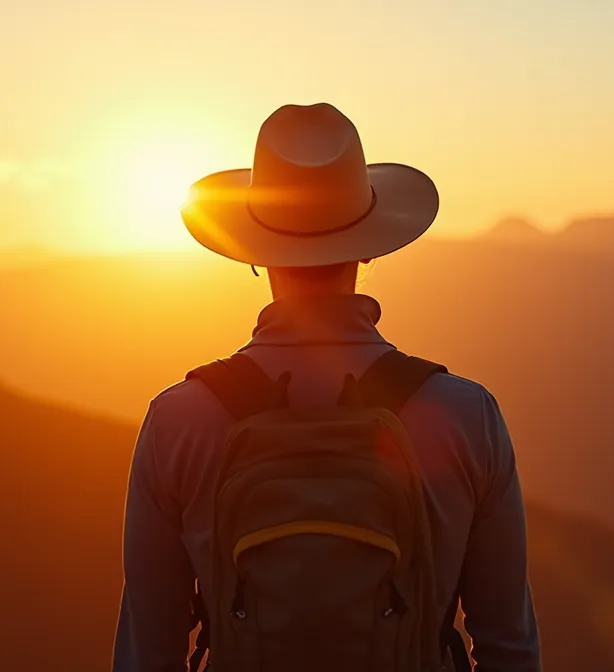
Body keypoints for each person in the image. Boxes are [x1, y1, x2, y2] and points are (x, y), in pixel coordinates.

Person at [112, 103, 541, 671]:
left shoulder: (179, 421)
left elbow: (149, 652)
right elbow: (507, 646)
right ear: (369, 247)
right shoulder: (464, 415)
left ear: (256, 258)